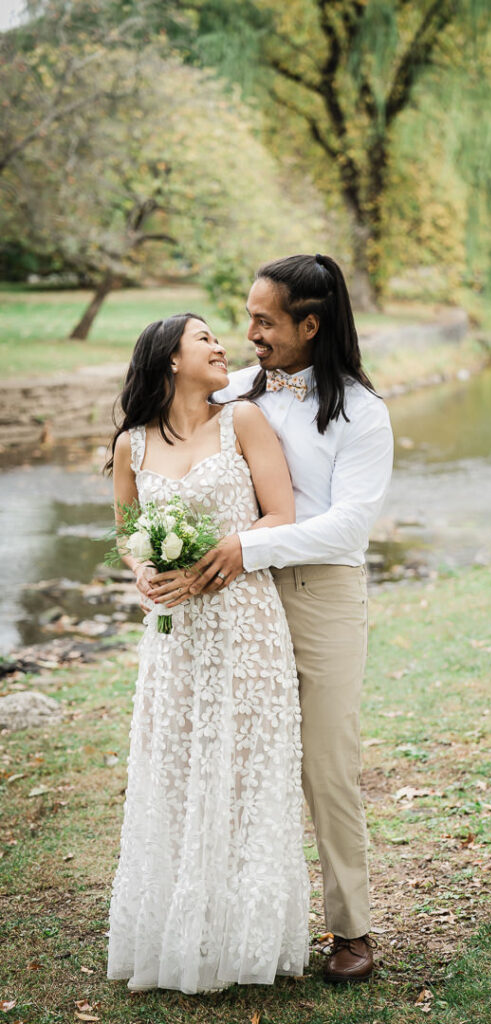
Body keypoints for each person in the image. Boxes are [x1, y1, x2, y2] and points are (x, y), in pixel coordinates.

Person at [185, 254, 394, 984]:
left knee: (327, 765)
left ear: (310, 325)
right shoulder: (234, 391)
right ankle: (235, 921)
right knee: (238, 757)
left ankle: (352, 929)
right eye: (247, 318)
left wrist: (251, 544)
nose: (250, 334)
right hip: (240, 598)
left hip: (323, 597)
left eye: (264, 321)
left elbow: (345, 529)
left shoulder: (364, 416)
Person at [105, 312, 309, 993]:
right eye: (206, 340)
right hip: (176, 637)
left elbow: (281, 515)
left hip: (245, 624)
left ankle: (246, 941)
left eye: (221, 339)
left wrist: (229, 551)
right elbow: (129, 537)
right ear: (168, 358)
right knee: (179, 770)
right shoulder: (131, 445)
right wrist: (147, 576)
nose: (224, 347)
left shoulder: (244, 421)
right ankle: (177, 934)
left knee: (245, 775)